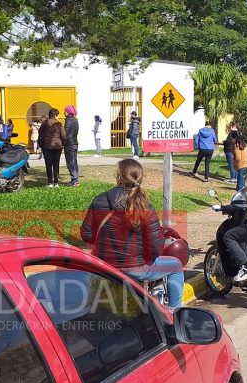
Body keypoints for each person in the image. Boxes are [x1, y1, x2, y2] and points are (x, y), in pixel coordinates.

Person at [80, 159, 185, 309]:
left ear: (119, 177)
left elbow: (86, 234)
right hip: (135, 268)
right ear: (140, 178)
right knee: (175, 266)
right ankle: (174, 313)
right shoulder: (145, 205)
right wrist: (145, 261)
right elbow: (154, 246)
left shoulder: (99, 200)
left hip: (104, 266)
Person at [38, 108, 65, 187]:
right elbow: (64, 135)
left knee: (48, 164)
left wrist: (41, 144)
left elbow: (41, 135)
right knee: (56, 164)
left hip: (47, 146)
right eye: (58, 115)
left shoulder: (44, 123)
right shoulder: (59, 124)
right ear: (55, 115)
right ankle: (56, 183)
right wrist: (63, 143)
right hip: (57, 146)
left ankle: (50, 182)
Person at [63, 105, 80, 186]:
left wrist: (63, 140)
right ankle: (76, 179)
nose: (64, 113)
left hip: (69, 143)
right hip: (75, 142)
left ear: (68, 111)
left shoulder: (69, 120)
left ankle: (74, 180)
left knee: (70, 162)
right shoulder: (75, 120)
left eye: (65, 111)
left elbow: (65, 132)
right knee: (74, 161)